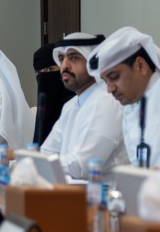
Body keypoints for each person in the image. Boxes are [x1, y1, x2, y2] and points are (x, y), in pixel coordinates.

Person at [32, 33, 126, 178]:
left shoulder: (107, 101)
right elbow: (46, 152)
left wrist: (33, 166)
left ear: (92, 62)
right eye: (61, 59)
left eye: (74, 57)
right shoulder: (70, 106)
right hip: (72, 192)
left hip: (106, 196)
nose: (65, 65)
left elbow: (81, 167)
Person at [87, 27, 160, 168]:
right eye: (105, 81)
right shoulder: (130, 106)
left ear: (141, 65)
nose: (109, 89)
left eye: (114, 77)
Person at [31, 41, 72, 144]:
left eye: (50, 69)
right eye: (39, 73)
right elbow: (45, 150)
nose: (43, 76)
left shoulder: (72, 105)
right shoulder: (44, 108)